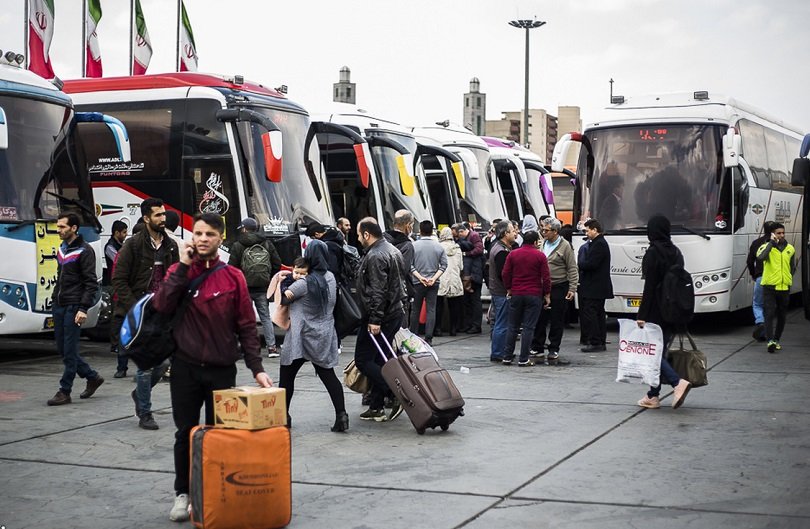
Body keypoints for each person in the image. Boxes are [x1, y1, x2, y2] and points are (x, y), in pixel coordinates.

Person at [152, 212, 273, 523]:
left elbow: (246, 325)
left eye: (209, 234)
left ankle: (214, 491)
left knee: (220, 435)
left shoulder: (234, 277)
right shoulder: (181, 271)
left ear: (221, 239)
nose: (202, 239)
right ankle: (183, 493)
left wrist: (256, 368)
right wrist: (181, 265)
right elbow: (162, 305)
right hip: (185, 368)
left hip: (221, 370)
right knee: (186, 434)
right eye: (198, 233)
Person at [112, 198, 179, 429]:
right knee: (145, 366)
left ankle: (139, 395)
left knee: (162, 364)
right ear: (146, 218)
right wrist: (135, 308)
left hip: (163, 314)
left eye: (164, 214)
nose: (163, 218)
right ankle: (145, 413)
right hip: (139, 314)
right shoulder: (132, 245)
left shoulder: (171, 245)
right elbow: (118, 280)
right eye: (158, 215)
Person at [279, 239, 348, 432]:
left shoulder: (304, 282)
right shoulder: (331, 277)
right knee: (328, 375)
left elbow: (284, 299)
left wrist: (284, 281)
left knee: (287, 375)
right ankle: (341, 415)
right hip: (324, 333)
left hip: (301, 334)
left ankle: (284, 416)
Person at [47, 212, 105, 406]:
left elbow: (91, 283)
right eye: (58, 226)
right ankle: (92, 376)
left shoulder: (85, 251)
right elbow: (59, 277)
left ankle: (65, 390)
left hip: (74, 306)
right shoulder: (62, 249)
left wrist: (83, 308)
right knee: (63, 349)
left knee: (70, 351)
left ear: (73, 228)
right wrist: (55, 299)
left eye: (62, 227)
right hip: (60, 304)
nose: (59, 230)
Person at [636, 214, 692, 410]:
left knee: (652, 353)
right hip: (674, 309)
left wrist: (641, 314)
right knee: (660, 352)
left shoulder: (653, 253)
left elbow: (650, 286)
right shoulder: (676, 252)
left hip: (656, 310)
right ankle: (653, 395)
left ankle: (678, 383)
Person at [354, 217, 406, 423]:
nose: (358, 239)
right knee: (380, 360)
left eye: (359, 235)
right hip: (394, 312)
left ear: (367, 234)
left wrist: (375, 318)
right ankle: (376, 406)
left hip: (380, 316)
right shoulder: (393, 250)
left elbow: (378, 291)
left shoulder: (376, 255)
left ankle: (394, 391)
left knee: (363, 360)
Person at [228, 217, 282, 358]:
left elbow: (231, 268)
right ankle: (272, 348)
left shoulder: (238, 245)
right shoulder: (267, 243)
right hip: (263, 288)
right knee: (265, 317)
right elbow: (277, 263)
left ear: (244, 229)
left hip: (244, 288)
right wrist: (268, 279)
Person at [501, 230, 551, 366]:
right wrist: (547, 294)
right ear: (535, 242)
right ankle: (524, 359)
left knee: (512, 326)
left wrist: (509, 288)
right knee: (529, 327)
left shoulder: (513, 254)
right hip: (534, 294)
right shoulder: (540, 256)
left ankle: (507, 356)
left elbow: (505, 273)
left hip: (516, 293)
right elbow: (546, 277)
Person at [532, 218, 578, 365]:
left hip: (558, 286)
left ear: (555, 231)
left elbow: (572, 267)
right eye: (542, 230)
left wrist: (572, 288)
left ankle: (554, 348)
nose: (543, 232)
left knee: (557, 318)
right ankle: (537, 346)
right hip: (541, 286)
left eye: (546, 230)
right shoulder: (542, 243)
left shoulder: (565, 246)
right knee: (539, 317)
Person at [755, 222, 796, 353]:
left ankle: (777, 339)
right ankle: (770, 340)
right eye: (779, 233)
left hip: (784, 287)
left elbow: (792, 266)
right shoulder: (765, 247)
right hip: (770, 287)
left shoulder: (790, 248)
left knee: (782, 315)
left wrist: (788, 277)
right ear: (773, 234)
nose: (782, 235)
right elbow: (760, 258)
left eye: (783, 233)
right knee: (769, 313)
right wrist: (771, 244)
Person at [577, 219, 614, 352]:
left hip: (595, 286)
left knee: (591, 313)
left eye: (587, 231)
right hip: (597, 286)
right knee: (598, 313)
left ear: (595, 229)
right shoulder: (599, 243)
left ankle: (595, 341)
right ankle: (599, 340)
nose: (586, 234)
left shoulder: (599, 244)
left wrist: (580, 264)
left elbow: (592, 264)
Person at [409, 220, 447, 344]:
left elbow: (410, 265)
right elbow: (443, 265)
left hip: (417, 282)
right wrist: (434, 278)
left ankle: (413, 334)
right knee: (431, 309)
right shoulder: (439, 246)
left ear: (420, 230)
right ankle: (429, 337)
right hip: (433, 282)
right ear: (432, 231)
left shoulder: (413, 246)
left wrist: (420, 278)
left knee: (416, 309)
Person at [487, 220, 516, 362]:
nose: (515, 233)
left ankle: (501, 350)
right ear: (505, 233)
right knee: (502, 323)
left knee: (501, 322)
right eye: (512, 231)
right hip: (502, 291)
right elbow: (503, 274)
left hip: (498, 290)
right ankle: (499, 352)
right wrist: (510, 288)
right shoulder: (501, 251)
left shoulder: (500, 247)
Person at [746, 221, 776, 341]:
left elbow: (749, 262)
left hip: (761, 277)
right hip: (775, 278)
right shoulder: (779, 244)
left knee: (758, 303)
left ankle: (760, 322)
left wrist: (753, 274)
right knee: (770, 305)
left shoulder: (756, 243)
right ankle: (768, 329)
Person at [452, 222, 484, 334]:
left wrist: (466, 254)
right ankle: (470, 324)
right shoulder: (467, 238)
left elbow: (479, 249)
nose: (458, 237)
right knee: (468, 301)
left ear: (463, 231)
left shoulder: (474, 236)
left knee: (475, 300)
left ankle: (475, 325)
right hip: (469, 273)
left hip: (474, 274)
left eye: (459, 234)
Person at [384, 210, 415, 318]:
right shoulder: (407, 245)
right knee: (401, 330)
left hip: (381, 291)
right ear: (408, 226)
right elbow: (403, 270)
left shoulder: (383, 240)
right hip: (399, 294)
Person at [435, 227, 464, 337]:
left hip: (441, 278)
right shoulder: (457, 248)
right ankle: (453, 329)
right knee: (454, 306)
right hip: (454, 278)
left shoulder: (438, 248)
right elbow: (461, 266)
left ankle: (438, 329)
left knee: (438, 305)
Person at [103, 220, 127, 286]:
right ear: (117, 233)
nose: (126, 234)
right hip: (114, 283)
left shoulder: (122, 244)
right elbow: (120, 262)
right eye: (124, 232)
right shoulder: (110, 247)